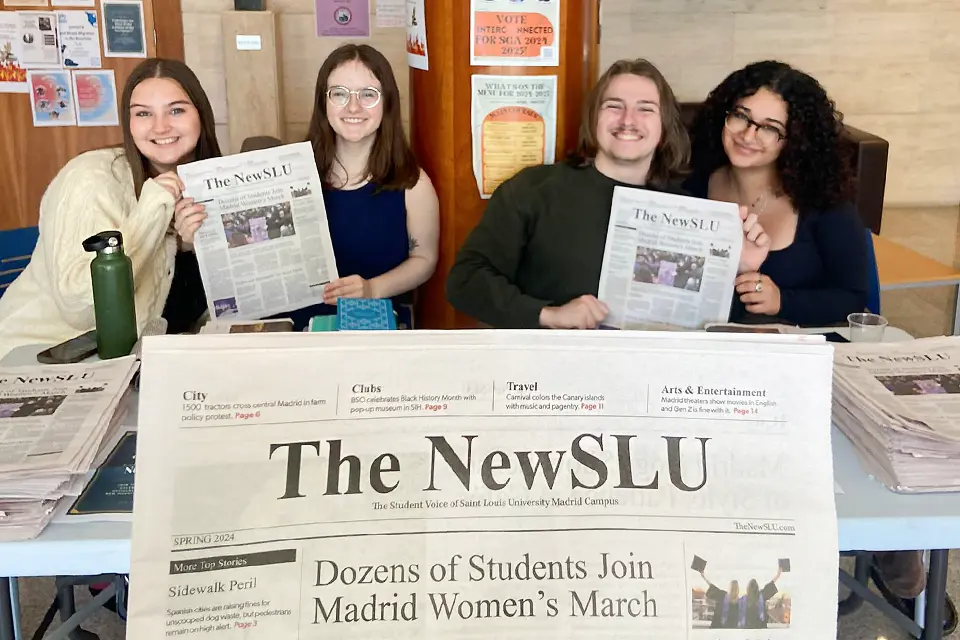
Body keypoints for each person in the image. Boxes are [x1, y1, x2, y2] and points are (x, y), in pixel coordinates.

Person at [445, 58, 770, 329]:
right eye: (614, 106)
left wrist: (737, 267)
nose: (628, 121)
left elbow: (703, 321)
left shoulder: (687, 211)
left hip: (650, 385)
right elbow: (466, 281)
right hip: (547, 381)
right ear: (593, 117)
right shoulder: (534, 191)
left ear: (663, 128)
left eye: (646, 109)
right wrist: (548, 315)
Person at [176, 44, 440, 331]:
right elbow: (245, 242)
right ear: (323, 103)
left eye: (368, 94)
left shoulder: (412, 183)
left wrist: (372, 289)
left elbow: (424, 259)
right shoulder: (289, 174)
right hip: (290, 331)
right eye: (339, 93)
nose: (353, 107)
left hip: (373, 331)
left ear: (387, 102)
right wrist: (193, 237)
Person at [0, 58, 218, 358]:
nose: (161, 126)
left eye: (176, 110)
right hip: (40, 359)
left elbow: (185, 310)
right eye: (143, 113)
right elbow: (81, 309)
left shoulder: (205, 182)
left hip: (134, 361)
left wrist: (191, 247)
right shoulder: (91, 178)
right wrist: (150, 215)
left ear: (201, 117)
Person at [686, 60, 868, 327]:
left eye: (770, 128)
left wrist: (782, 300)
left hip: (796, 353)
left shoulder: (824, 202)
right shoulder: (691, 187)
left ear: (795, 140)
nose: (748, 135)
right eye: (740, 116)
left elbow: (853, 298)